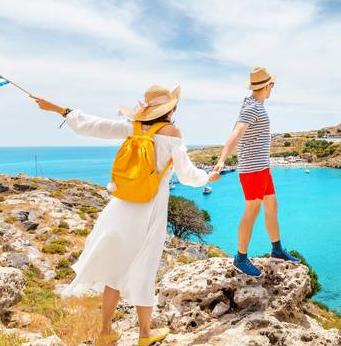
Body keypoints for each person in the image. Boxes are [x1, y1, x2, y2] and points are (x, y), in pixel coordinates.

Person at [32, 84, 220, 346]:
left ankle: (105, 332)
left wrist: (58, 109)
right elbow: (187, 174)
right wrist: (208, 177)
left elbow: (94, 125)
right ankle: (145, 334)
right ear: (171, 108)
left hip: (121, 206)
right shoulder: (171, 132)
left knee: (114, 270)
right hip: (150, 207)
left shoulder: (132, 127)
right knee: (145, 268)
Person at [212, 67, 299, 277]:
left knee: (271, 206)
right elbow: (236, 132)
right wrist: (221, 161)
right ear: (267, 86)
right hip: (252, 170)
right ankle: (240, 258)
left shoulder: (252, 104)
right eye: (272, 85)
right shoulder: (253, 108)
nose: (273, 89)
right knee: (252, 211)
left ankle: (277, 250)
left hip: (262, 168)